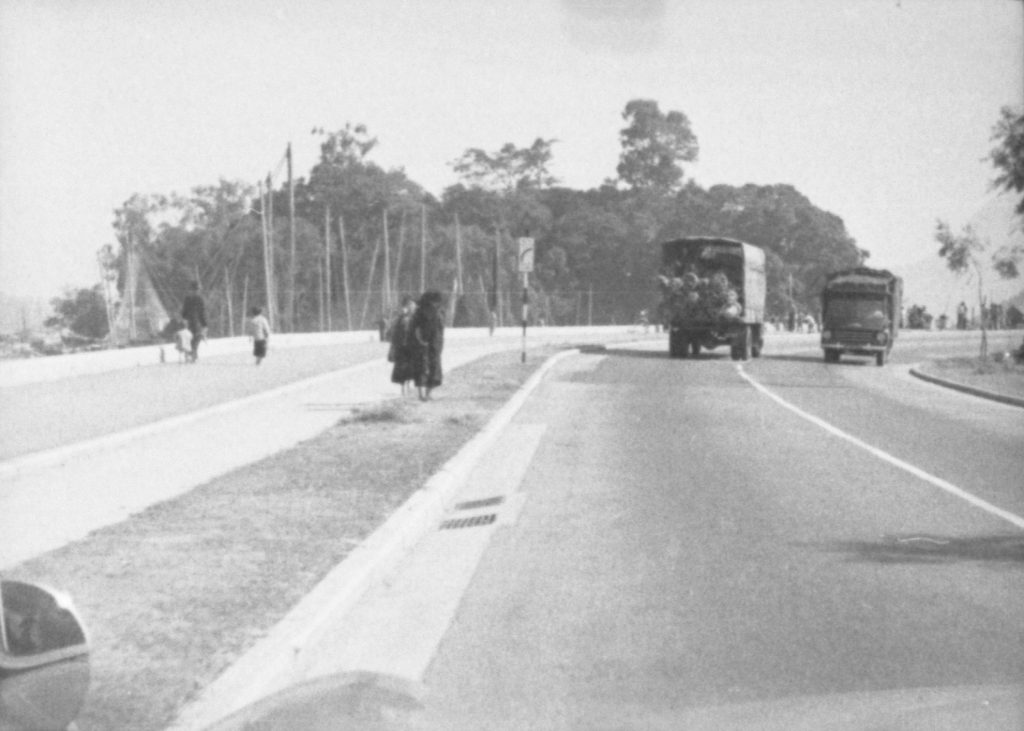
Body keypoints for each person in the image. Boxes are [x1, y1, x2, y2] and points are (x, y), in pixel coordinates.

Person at [411, 290, 444, 401]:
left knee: (423, 369)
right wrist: (422, 341)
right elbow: (417, 329)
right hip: (429, 345)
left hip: (425, 345)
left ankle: (423, 395)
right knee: (431, 370)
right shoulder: (429, 313)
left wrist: (420, 341)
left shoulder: (421, 312)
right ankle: (426, 394)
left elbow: (415, 329)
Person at [388, 295, 417, 395]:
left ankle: (408, 387)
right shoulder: (400, 318)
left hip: (411, 347)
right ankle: (403, 388)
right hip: (401, 347)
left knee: (410, 368)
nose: (412, 307)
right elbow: (393, 333)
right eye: (410, 305)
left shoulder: (415, 318)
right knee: (401, 369)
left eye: (412, 305)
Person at [181, 281, 207, 363]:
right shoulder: (195, 299)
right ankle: (192, 353)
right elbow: (184, 311)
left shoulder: (194, 298)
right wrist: (204, 324)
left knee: (196, 338)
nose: (196, 291)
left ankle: (192, 353)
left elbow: (202, 312)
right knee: (195, 337)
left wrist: (204, 324)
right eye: (195, 290)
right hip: (193, 322)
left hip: (194, 321)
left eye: (196, 290)